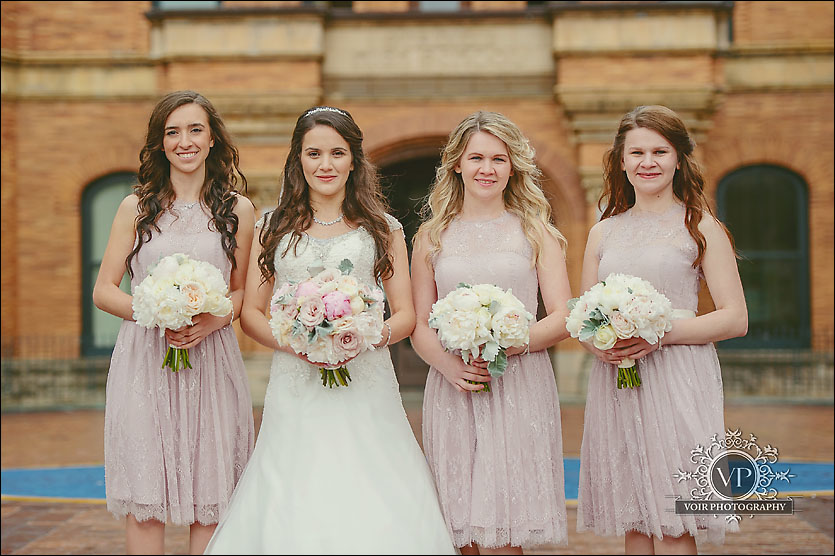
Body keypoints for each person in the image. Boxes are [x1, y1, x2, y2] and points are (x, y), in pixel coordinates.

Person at [203, 106, 455, 554]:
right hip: (295, 381)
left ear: (354, 160)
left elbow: (404, 314)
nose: (326, 164)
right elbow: (253, 313)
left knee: (372, 479)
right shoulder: (273, 226)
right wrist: (298, 343)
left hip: (366, 378)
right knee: (293, 482)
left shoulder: (383, 228)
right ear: (297, 159)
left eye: (337, 153)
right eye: (314, 153)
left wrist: (363, 336)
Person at [575, 105, 748, 554]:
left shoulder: (700, 225)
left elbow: (735, 317)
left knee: (674, 519)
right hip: (618, 378)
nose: (647, 162)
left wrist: (659, 334)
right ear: (621, 161)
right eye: (637, 152)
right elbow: (583, 316)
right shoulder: (603, 232)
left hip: (678, 376)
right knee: (635, 517)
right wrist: (602, 344)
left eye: (660, 151)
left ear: (678, 159)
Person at [93, 90, 256, 555]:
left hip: (212, 360)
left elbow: (242, 293)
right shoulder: (135, 208)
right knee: (147, 497)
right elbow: (104, 290)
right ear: (160, 143)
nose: (185, 141)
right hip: (145, 360)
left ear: (212, 139)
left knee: (211, 495)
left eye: (195, 130)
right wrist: (155, 313)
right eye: (173, 132)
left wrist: (211, 320)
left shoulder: (239, 211)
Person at [411, 111, 571, 554]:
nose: (487, 169)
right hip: (454, 386)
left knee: (504, 529)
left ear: (513, 166)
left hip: (518, 383)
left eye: (498, 159)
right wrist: (450, 367)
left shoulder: (536, 232)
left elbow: (563, 314)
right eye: (476, 158)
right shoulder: (431, 236)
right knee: (459, 528)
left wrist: (513, 343)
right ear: (456, 164)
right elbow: (419, 324)